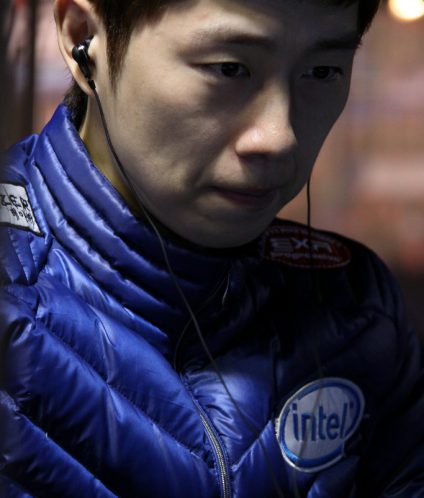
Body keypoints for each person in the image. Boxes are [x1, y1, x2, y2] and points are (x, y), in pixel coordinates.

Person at [0, 0, 423, 496]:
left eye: (322, 71)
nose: (279, 138)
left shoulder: (357, 310)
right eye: (229, 69)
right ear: (83, 39)